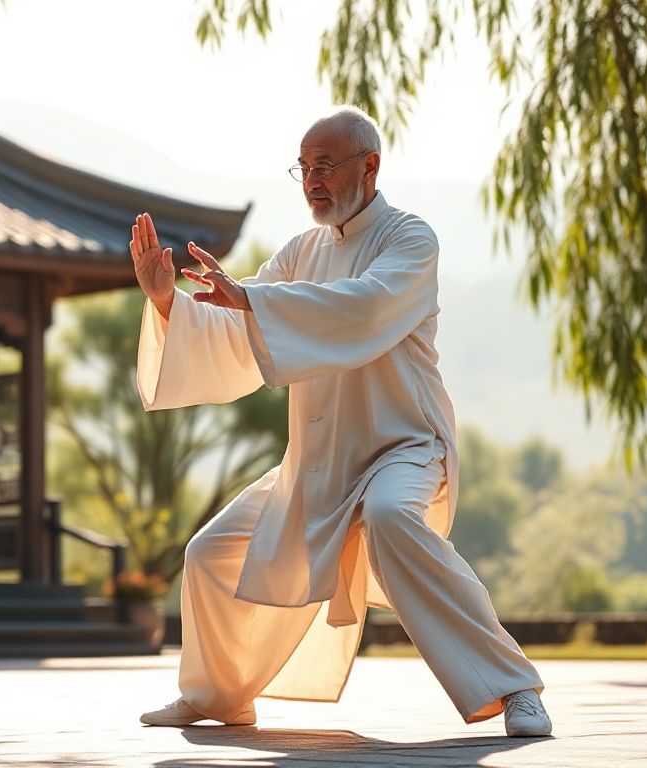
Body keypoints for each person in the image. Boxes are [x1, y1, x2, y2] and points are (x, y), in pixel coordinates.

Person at [130, 106, 552, 738]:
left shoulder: (410, 240)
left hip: (402, 445)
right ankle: (218, 696)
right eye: (304, 168)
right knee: (210, 552)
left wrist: (253, 299)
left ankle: (515, 686)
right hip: (318, 460)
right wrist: (167, 301)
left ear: (370, 166)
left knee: (390, 516)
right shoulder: (301, 251)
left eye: (325, 166)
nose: (312, 181)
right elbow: (242, 328)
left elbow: (364, 309)